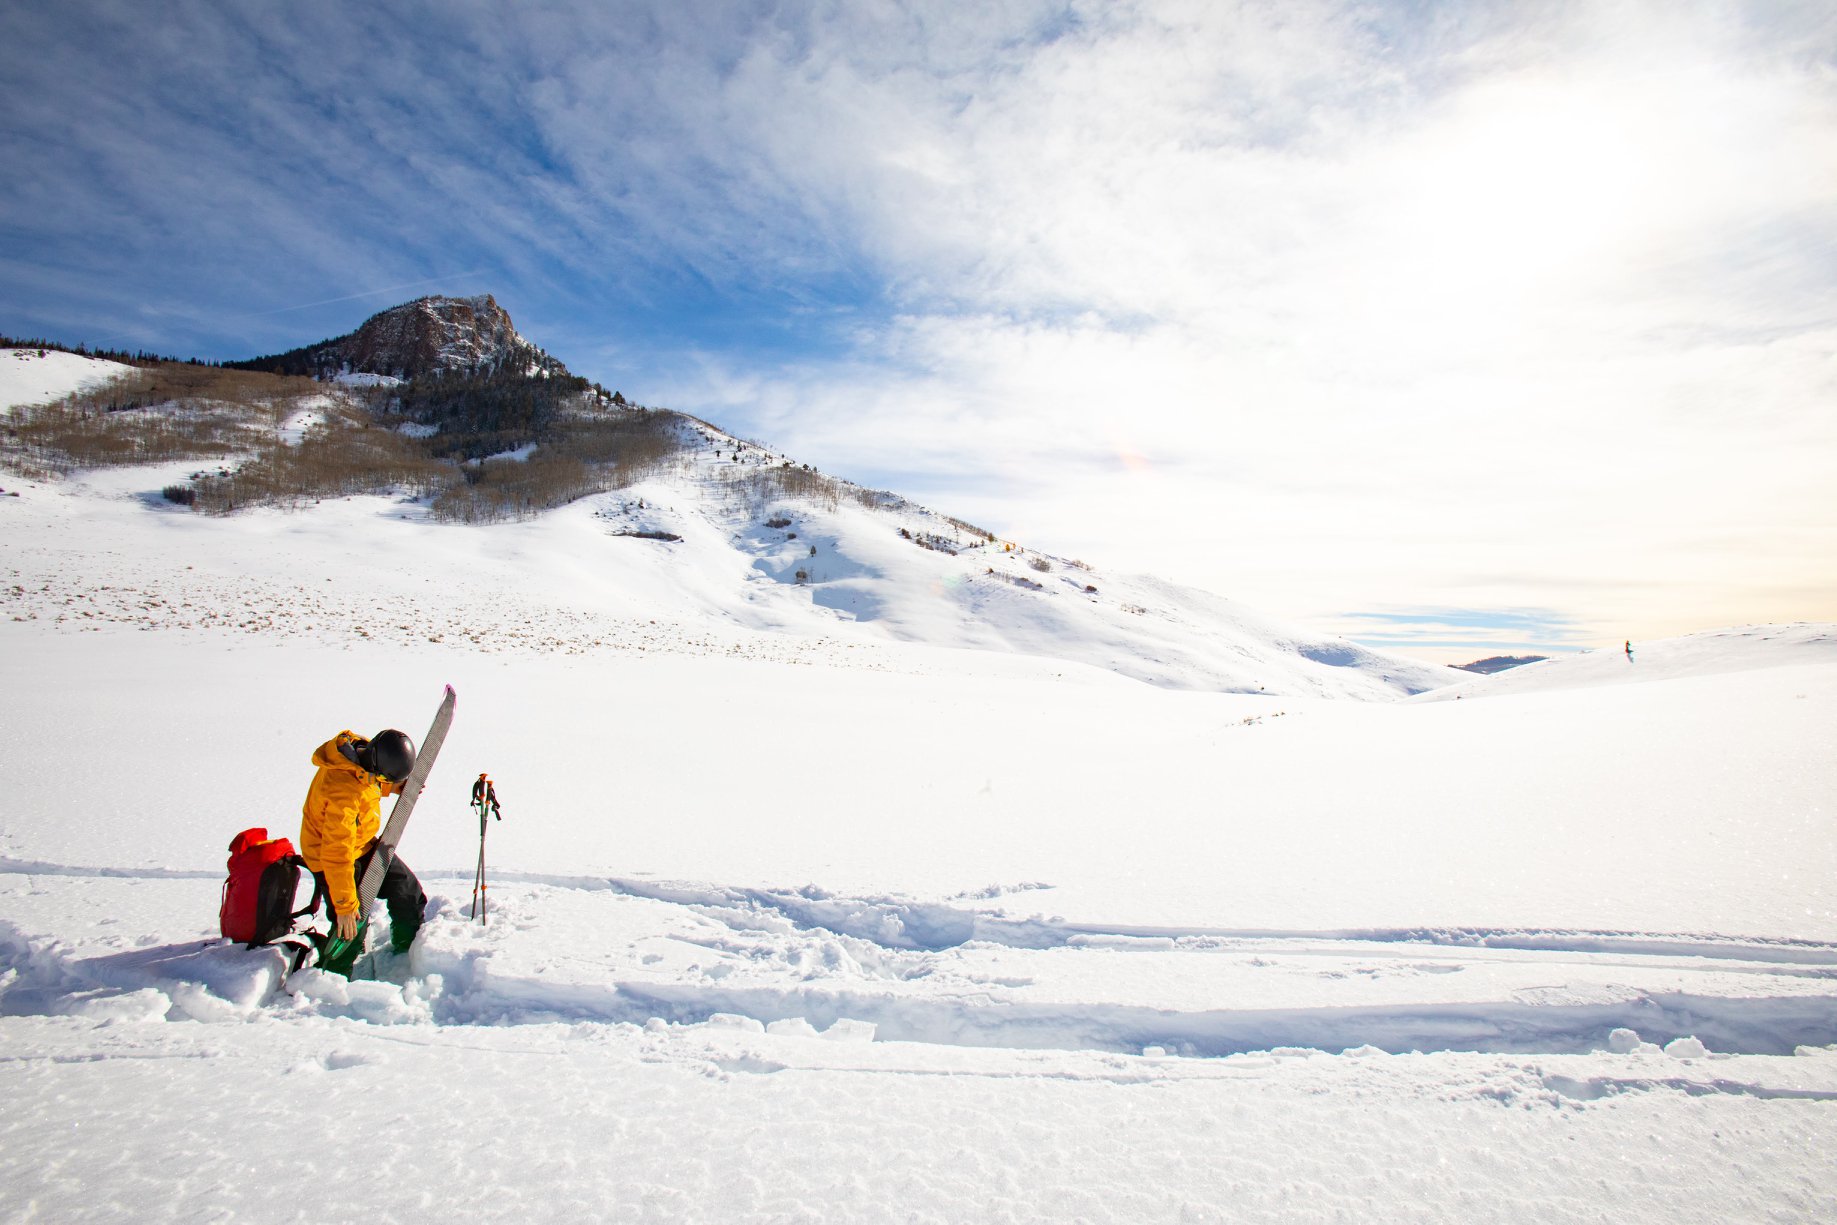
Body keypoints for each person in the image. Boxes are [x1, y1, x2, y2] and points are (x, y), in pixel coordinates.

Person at [300, 728, 427, 973]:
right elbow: (337, 853)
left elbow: (368, 782)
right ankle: (329, 977)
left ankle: (406, 951)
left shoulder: (364, 753)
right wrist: (345, 907)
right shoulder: (341, 794)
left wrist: (393, 787)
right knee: (350, 926)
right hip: (331, 858)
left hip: (362, 844)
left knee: (407, 890)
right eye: (387, 779)